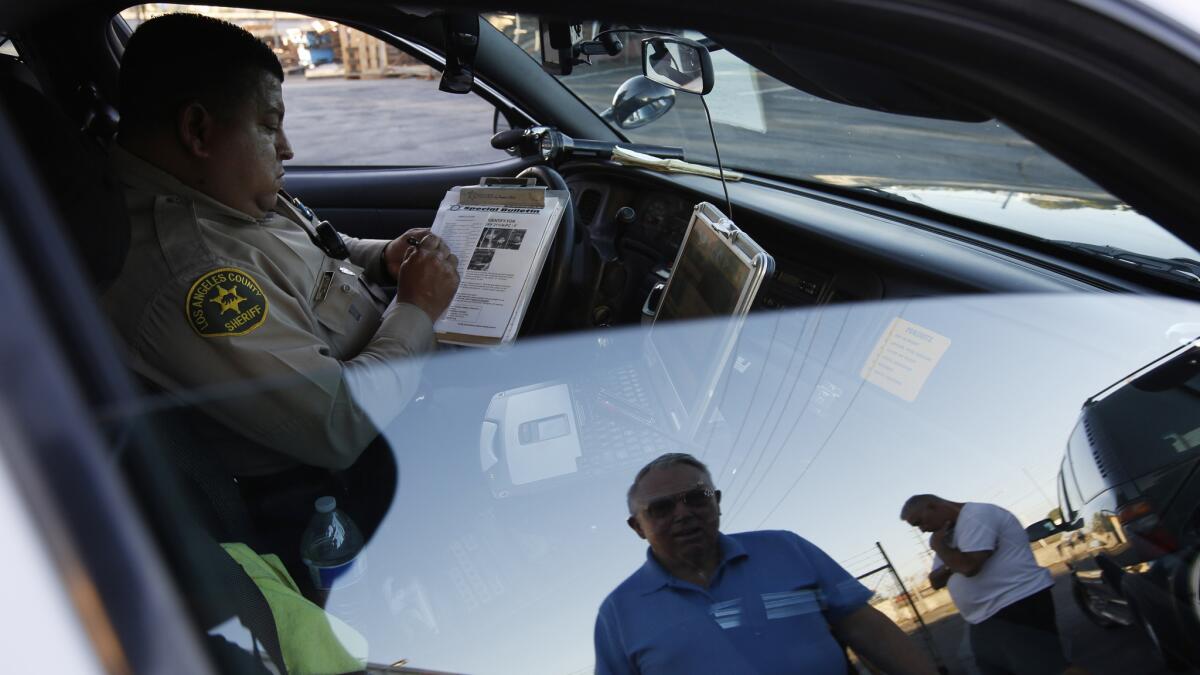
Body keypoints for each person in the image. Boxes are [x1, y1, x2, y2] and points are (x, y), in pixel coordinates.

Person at [101, 13, 460, 579]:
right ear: (198, 130)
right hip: (343, 494)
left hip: (397, 393)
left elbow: (315, 246)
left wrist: (383, 257)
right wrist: (416, 307)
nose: (287, 148)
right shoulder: (194, 275)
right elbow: (339, 425)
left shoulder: (216, 191)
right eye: (270, 126)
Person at [595, 453, 938, 675]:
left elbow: (865, 628)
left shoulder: (786, 548)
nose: (682, 513)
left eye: (695, 498)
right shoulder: (618, 613)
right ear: (638, 527)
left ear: (715, 502)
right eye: (661, 508)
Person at [900, 494, 1081, 675]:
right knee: (993, 668)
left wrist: (940, 548)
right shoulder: (947, 535)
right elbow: (935, 581)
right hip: (985, 615)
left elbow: (969, 566)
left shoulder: (977, 515)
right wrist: (951, 560)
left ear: (933, 506)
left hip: (1017, 601)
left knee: (1047, 667)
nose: (923, 530)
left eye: (919, 522)